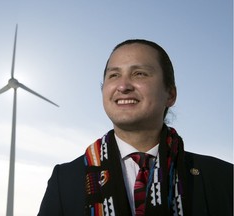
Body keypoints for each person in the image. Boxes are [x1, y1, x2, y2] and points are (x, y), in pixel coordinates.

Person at [37, 39, 233, 216]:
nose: (123, 86)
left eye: (139, 74)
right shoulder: (65, 180)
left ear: (170, 94)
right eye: (113, 75)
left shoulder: (222, 178)